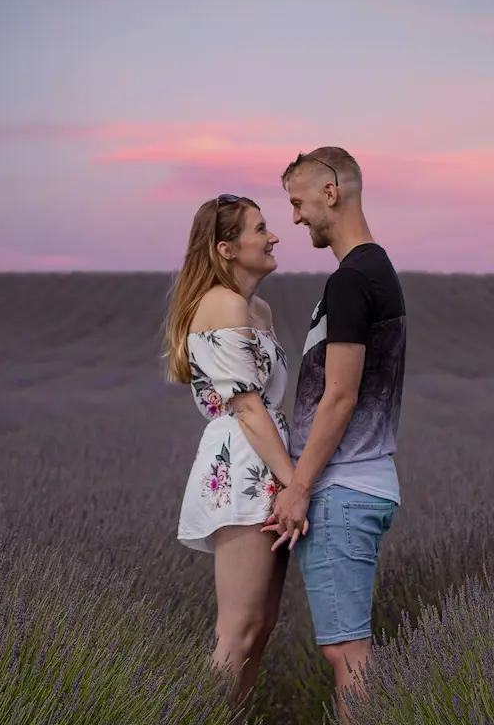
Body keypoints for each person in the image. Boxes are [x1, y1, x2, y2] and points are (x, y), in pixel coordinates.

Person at [262, 147, 406, 722]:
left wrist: (297, 489)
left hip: (343, 489)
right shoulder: (376, 271)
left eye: (298, 203)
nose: (294, 219)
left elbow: (340, 396)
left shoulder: (352, 280)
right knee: (347, 651)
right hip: (364, 485)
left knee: (348, 654)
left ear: (332, 191)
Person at [162, 193, 307, 704]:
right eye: (260, 228)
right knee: (237, 631)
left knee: (259, 630)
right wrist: (295, 483)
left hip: (265, 459)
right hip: (245, 461)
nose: (273, 236)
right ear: (226, 247)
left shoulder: (257, 308)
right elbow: (247, 408)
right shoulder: (222, 304)